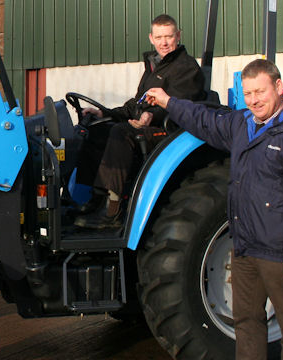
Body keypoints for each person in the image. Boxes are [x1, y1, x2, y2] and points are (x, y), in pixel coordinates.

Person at [144, 59, 283, 360]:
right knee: (247, 320)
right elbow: (204, 120)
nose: (253, 99)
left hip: (281, 251)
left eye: (260, 91)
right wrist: (168, 102)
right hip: (245, 246)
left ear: (278, 88)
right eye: (248, 93)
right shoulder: (243, 125)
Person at [73, 14, 205, 229]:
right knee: (97, 129)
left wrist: (152, 115)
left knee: (121, 133)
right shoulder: (154, 67)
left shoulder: (186, 68)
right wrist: (104, 112)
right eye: (159, 37)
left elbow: (181, 105)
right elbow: (137, 104)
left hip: (171, 131)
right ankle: (94, 199)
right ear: (151, 38)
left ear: (178, 36)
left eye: (169, 36)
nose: (164, 42)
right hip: (147, 124)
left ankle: (112, 210)